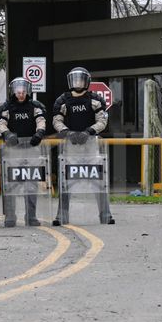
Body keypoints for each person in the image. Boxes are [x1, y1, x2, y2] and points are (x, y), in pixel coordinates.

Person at [51, 66, 114, 226]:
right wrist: (67, 132)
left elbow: (102, 121)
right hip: (70, 145)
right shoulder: (62, 100)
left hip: (91, 144)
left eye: (81, 79)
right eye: (75, 79)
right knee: (66, 181)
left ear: (87, 81)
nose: (78, 82)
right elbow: (56, 121)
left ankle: (105, 214)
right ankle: (62, 216)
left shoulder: (96, 99)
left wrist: (89, 131)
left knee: (98, 180)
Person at [0, 77, 47, 227]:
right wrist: (7, 134)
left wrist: (40, 132)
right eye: (18, 92)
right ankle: (10, 217)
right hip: (13, 150)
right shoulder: (6, 108)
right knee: (11, 183)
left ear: (27, 92)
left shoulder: (35, 106)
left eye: (24, 91)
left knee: (31, 184)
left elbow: (41, 120)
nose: (21, 94)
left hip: (31, 148)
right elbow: (1, 123)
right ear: (14, 92)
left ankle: (31, 216)